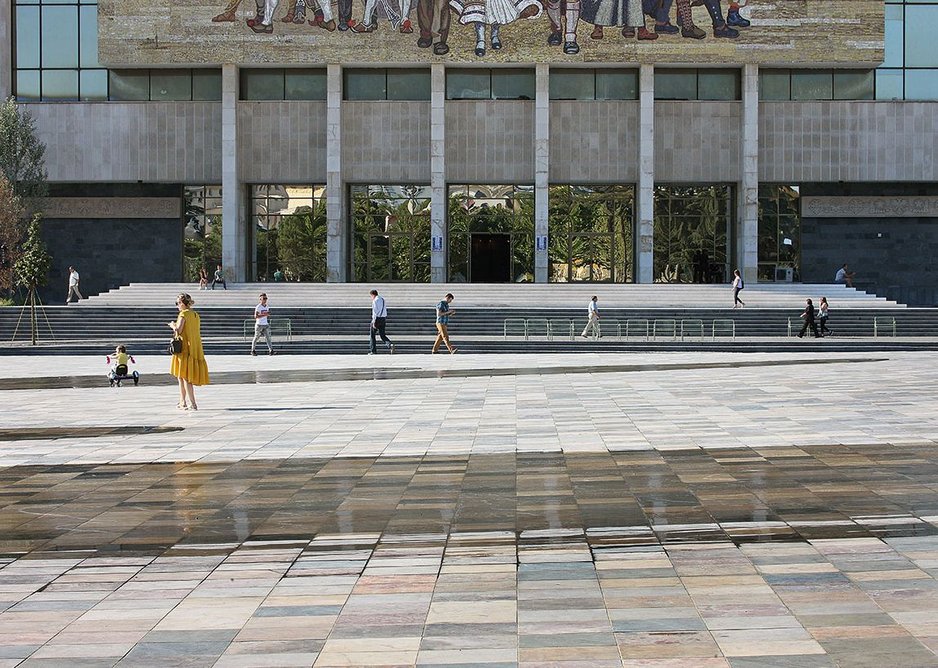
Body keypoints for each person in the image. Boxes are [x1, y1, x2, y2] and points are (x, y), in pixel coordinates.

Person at [168, 293, 210, 410]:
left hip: (183, 349)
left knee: (185, 377)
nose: (177, 306)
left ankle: (192, 403)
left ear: (182, 303)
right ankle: (182, 401)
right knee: (182, 376)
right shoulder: (195, 314)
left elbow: (179, 330)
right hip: (194, 347)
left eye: (177, 303)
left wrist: (172, 325)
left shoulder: (183, 314)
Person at [370, 289, 395, 355]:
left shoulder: (375, 300)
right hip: (383, 318)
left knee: (372, 335)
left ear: (372, 295)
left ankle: (373, 351)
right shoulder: (382, 299)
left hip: (377, 319)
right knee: (382, 335)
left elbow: (375, 312)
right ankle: (390, 344)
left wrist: (373, 321)